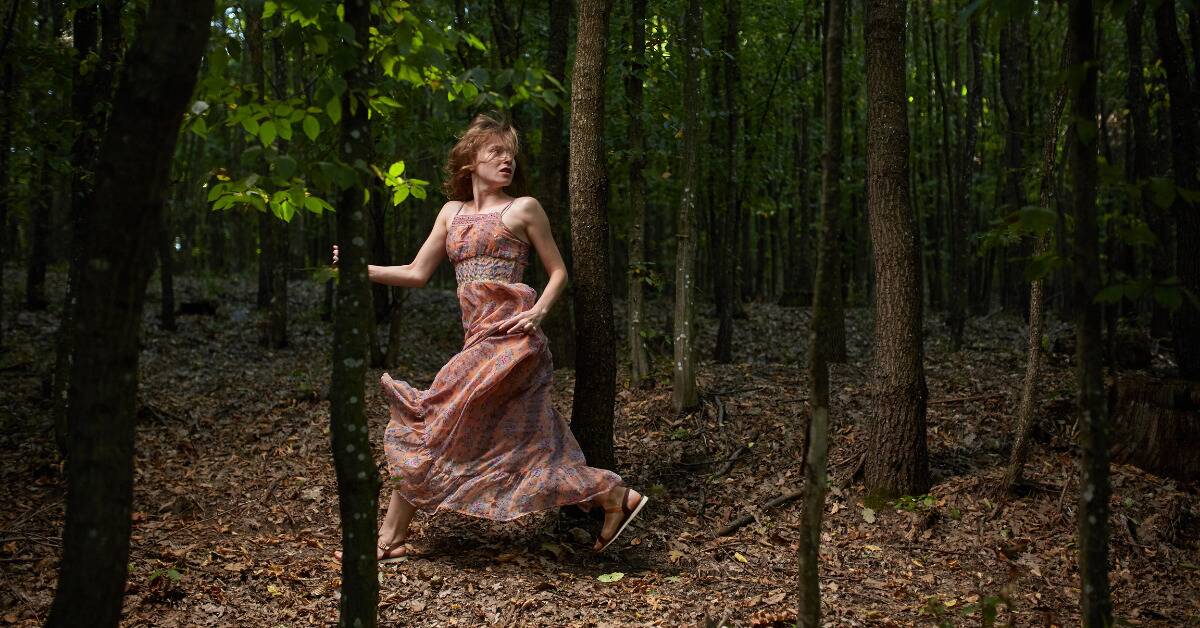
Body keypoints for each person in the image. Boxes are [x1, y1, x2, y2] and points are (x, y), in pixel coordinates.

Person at [332, 113, 647, 561]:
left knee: (431, 418)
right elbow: (417, 273)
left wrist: (537, 313)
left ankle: (389, 537)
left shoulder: (523, 208)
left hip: (513, 342)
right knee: (517, 445)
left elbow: (559, 272)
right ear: (469, 161)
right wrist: (357, 270)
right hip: (477, 343)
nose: (507, 161)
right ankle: (612, 497)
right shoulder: (450, 214)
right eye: (496, 152)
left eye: (511, 155)